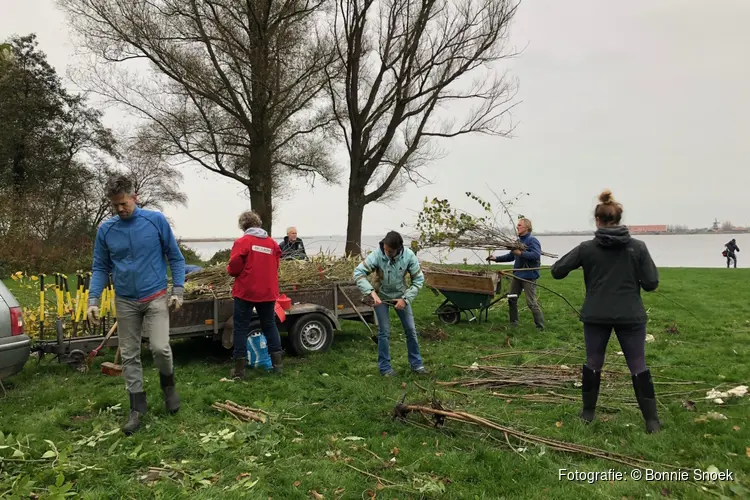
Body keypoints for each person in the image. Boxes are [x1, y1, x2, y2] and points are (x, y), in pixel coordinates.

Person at [550, 190, 661, 434]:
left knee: (593, 363)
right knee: (638, 365)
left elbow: (557, 271)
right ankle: (652, 422)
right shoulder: (638, 247)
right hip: (631, 315)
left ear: (597, 221)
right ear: (619, 220)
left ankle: (588, 413)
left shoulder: (587, 248)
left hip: (596, 315)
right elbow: (652, 283)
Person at [86, 174, 186, 436]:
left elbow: (175, 258)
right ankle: (136, 408)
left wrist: (178, 290)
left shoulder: (155, 221)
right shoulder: (106, 230)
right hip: (126, 300)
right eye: (115, 205)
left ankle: (169, 388)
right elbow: (99, 267)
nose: (120, 209)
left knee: (161, 348)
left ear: (135, 197)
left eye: (124, 203)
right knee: (129, 354)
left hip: (155, 296)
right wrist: (93, 300)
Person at [353, 231, 428, 376]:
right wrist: (371, 292)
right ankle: (385, 369)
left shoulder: (409, 256)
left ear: (398, 249)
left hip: (400, 296)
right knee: (384, 332)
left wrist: (405, 299)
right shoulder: (377, 254)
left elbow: (418, 280)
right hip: (381, 297)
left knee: (411, 330)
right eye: (385, 249)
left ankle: (417, 365)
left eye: (390, 251)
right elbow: (358, 273)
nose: (387, 253)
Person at [226, 210, 284, 379]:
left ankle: (239, 371)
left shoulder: (243, 242)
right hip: (268, 291)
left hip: (246, 291)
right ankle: (278, 366)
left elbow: (234, 267)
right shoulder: (272, 243)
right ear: (258, 224)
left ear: (243, 225)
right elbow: (276, 264)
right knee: (269, 325)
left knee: (241, 327)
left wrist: (229, 270)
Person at [486, 218, 545, 330]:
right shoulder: (518, 242)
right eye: (517, 225)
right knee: (512, 298)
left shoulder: (532, 241)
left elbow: (536, 255)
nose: (517, 227)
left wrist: (520, 253)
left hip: (529, 276)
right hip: (517, 275)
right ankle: (513, 323)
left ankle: (540, 326)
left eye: (519, 225)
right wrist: (495, 259)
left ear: (527, 227)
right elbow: (511, 256)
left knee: (531, 303)